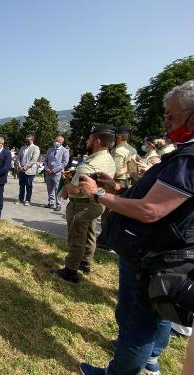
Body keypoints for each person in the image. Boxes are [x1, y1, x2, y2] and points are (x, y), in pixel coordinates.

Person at [78, 79, 194, 375]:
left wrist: (99, 194)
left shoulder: (188, 160)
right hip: (165, 258)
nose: (165, 122)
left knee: (135, 325)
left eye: (171, 115)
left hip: (151, 255)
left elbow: (149, 209)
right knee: (159, 314)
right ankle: (152, 360)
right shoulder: (182, 154)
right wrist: (116, 187)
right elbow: (153, 195)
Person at [54, 125, 116, 283]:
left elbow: (74, 190)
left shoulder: (87, 166)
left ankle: (70, 270)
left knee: (77, 237)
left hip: (81, 204)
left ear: (97, 141)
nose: (87, 141)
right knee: (90, 234)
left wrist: (67, 180)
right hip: (97, 203)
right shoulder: (109, 159)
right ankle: (85, 263)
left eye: (89, 138)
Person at [43, 135, 69, 211]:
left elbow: (64, 163)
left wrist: (54, 170)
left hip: (58, 173)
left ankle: (58, 204)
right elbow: (45, 160)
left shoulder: (65, 151)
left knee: (58, 189)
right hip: (48, 173)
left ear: (62, 142)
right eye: (55, 141)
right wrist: (47, 169)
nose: (56, 142)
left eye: (58, 141)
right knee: (49, 188)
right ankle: (51, 202)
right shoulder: (50, 150)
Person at [15, 134, 40, 206]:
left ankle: (28, 200)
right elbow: (18, 158)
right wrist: (19, 166)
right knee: (21, 185)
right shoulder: (22, 148)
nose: (26, 140)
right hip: (21, 169)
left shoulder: (36, 148)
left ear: (32, 140)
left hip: (29, 170)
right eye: (26, 139)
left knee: (29, 186)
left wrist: (25, 167)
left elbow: (34, 160)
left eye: (28, 139)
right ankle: (20, 199)